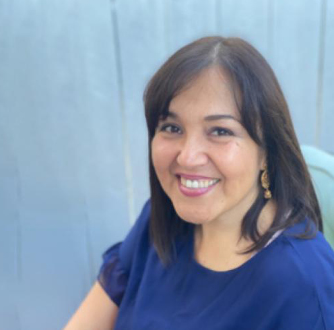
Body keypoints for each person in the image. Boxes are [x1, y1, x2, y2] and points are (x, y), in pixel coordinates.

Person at [64, 36, 334, 329]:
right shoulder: (158, 220)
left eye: (220, 131)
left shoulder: (304, 284)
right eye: (172, 127)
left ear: (266, 152)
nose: (188, 157)